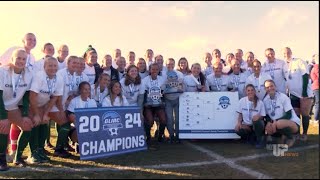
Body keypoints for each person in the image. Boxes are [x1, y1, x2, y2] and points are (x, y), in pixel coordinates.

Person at [26, 57, 64, 164]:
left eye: (55, 66)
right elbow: (32, 97)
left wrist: (46, 113)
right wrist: (36, 114)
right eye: (50, 65)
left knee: (44, 122)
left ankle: (40, 150)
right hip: (31, 104)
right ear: (44, 67)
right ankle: (32, 154)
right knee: (35, 122)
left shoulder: (59, 78)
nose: (53, 68)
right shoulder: (39, 76)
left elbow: (54, 98)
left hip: (43, 104)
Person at [0, 49, 33, 171]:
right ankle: (2, 158)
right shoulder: (2, 71)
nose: (21, 61)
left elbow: (25, 97)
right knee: (3, 128)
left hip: (13, 108)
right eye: (18, 58)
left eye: (24, 59)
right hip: (1, 106)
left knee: (27, 126)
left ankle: (17, 157)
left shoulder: (28, 74)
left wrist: (24, 114)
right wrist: (3, 117)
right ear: (12, 59)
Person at [284, 47, 313, 141]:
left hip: (305, 93)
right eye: (284, 53)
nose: (286, 54)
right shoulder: (284, 65)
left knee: (305, 114)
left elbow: (305, 75)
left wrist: (304, 91)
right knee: (295, 114)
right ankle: (297, 133)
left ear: (291, 52)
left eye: (288, 52)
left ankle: (304, 133)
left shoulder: (299, 61)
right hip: (293, 94)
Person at [263, 80, 300, 148]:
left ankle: (291, 137)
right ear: (265, 89)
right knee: (269, 128)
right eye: (267, 87)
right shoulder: (265, 100)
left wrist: (275, 121)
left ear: (275, 87)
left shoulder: (283, 97)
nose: (270, 88)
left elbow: (289, 115)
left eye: (271, 86)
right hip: (276, 123)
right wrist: (269, 122)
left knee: (278, 124)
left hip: (292, 123)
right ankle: (282, 137)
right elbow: (267, 115)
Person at [66, 81, 97, 149]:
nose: (87, 91)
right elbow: (70, 116)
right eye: (85, 89)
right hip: (76, 127)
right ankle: (77, 142)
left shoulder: (92, 102)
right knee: (79, 132)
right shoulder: (74, 101)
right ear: (80, 90)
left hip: (90, 127)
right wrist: (81, 126)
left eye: (89, 89)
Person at [141, 63, 167, 145]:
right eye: (153, 69)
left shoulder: (162, 79)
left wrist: (162, 101)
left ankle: (160, 136)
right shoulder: (145, 80)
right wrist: (145, 104)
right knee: (150, 120)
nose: (154, 71)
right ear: (149, 70)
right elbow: (143, 94)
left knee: (163, 120)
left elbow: (163, 92)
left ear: (159, 70)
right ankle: (148, 137)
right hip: (148, 105)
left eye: (156, 69)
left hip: (158, 104)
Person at [235, 84, 266, 148]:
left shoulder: (260, 103)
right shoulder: (242, 101)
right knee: (237, 129)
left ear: (255, 91)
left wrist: (258, 117)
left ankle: (259, 139)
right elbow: (240, 114)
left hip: (256, 125)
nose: (250, 92)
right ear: (246, 92)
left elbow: (263, 116)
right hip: (247, 125)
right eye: (248, 90)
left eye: (252, 90)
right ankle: (249, 137)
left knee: (257, 121)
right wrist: (239, 123)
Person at [163, 58, 184, 143]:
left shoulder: (179, 74)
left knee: (178, 118)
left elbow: (182, 86)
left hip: (177, 98)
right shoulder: (163, 74)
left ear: (174, 64)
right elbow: (161, 87)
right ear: (166, 65)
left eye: (172, 64)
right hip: (167, 98)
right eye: (168, 64)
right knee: (169, 118)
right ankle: (171, 136)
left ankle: (178, 135)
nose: (170, 65)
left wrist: (181, 89)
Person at [310, 54, 319, 123]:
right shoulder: (316, 67)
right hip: (317, 87)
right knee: (317, 103)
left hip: (316, 87)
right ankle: (316, 119)